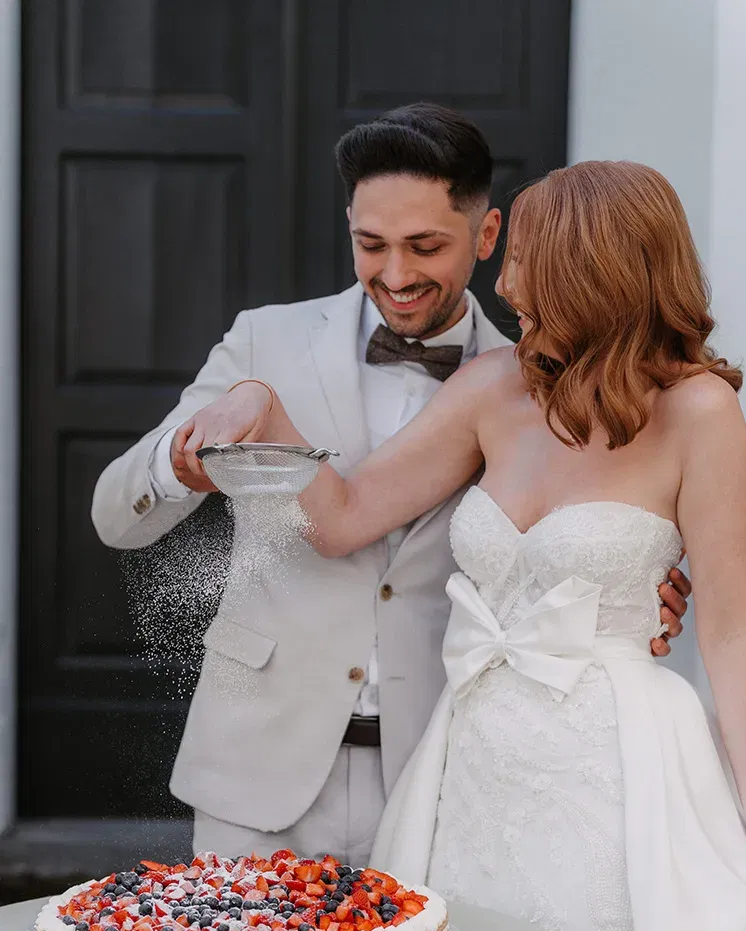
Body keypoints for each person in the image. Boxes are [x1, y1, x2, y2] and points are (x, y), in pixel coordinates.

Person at [234, 161, 746, 931]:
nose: (507, 282)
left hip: (618, 769)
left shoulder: (700, 414)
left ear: (593, 265)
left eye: (523, 257)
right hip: (471, 765)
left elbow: (736, 635)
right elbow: (340, 517)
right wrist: (261, 414)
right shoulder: (489, 390)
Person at [91, 104, 689, 867]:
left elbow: (591, 533)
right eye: (370, 245)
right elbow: (116, 514)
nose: (397, 275)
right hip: (254, 774)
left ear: (488, 234)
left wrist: (639, 587)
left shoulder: (533, 384)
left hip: (447, 777)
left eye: (425, 247)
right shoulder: (263, 343)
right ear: (348, 225)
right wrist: (177, 464)